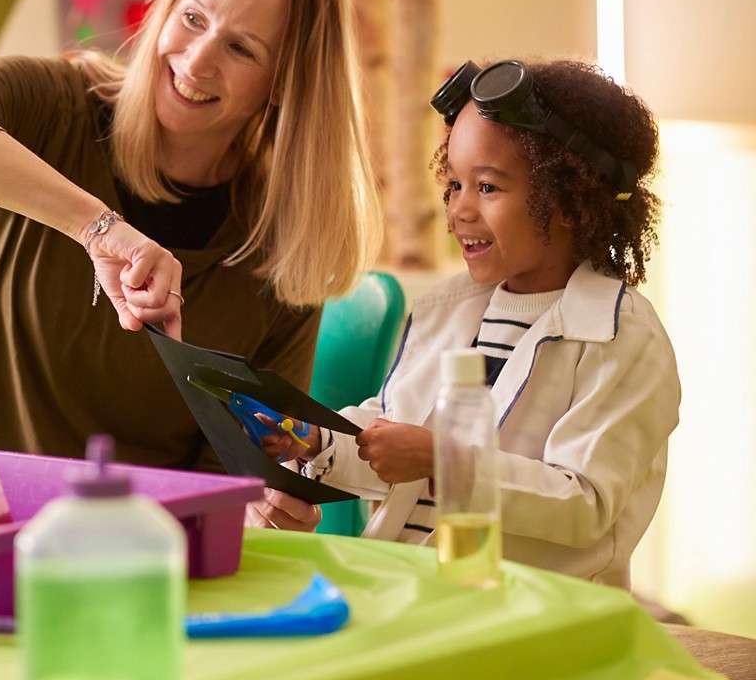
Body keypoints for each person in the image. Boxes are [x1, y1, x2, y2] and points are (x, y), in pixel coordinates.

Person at [0, 0, 381, 531]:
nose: (197, 59)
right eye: (192, 18)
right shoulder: (51, 113)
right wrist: (98, 227)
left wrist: (262, 510)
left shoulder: (280, 247)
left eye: (240, 48)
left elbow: (233, 476)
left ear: (282, 84)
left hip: (140, 565)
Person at [263, 59, 678, 587]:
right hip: (405, 584)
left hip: (531, 610)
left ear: (571, 202)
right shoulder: (447, 310)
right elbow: (391, 435)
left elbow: (585, 504)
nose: (459, 210)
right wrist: (313, 444)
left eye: (487, 188)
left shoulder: (622, 337)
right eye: (454, 184)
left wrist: (442, 460)